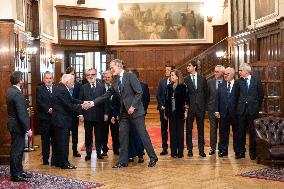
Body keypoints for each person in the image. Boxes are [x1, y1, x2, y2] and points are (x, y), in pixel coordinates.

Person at [89, 59, 158, 168]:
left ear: (119, 66)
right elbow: (107, 94)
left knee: (143, 135)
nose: (111, 70)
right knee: (123, 137)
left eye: (112, 68)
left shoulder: (130, 76)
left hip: (136, 112)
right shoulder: (115, 80)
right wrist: (92, 103)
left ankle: (153, 157)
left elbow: (139, 92)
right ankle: (123, 161)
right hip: (124, 114)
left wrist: (133, 106)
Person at [52, 74, 86, 169]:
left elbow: (71, 100)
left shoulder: (62, 88)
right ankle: (64, 163)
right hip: (61, 121)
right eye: (72, 81)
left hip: (59, 120)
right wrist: (82, 106)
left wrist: (83, 102)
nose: (74, 83)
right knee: (63, 143)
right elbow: (69, 106)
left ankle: (58, 162)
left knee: (59, 142)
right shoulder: (62, 90)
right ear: (67, 82)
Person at [6, 71, 33, 182]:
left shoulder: (10, 90)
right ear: (19, 80)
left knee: (18, 149)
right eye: (22, 78)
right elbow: (21, 113)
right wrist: (28, 129)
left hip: (14, 124)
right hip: (17, 125)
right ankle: (16, 175)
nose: (23, 80)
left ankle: (19, 171)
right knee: (17, 150)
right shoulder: (16, 93)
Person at [236, 63, 264, 160]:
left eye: (240, 70)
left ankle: (253, 153)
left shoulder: (256, 81)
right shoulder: (238, 82)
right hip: (241, 110)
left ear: (246, 71)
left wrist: (256, 106)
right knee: (241, 131)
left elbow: (261, 96)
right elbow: (235, 97)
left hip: (253, 110)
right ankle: (241, 152)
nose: (239, 72)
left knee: (253, 132)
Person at [79, 68, 108, 160]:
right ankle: (88, 153)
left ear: (96, 75)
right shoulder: (83, 87)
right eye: (88, 75)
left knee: (99, 135)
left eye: (92, 74)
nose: (90, 76)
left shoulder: (102, 87)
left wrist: (106, 113)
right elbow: (79, 102)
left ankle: (99, 152)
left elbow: (105, 101)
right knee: (88, 136)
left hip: (99, 115)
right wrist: (81, 114)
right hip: (87, 116)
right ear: (86, 76)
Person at [214, 67, 240, 157]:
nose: (225, 76)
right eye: (224, 74)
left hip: (235, 113)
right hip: (223, 113)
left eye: (227, 74)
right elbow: (217, 99)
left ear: (232, 75)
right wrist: (216, 110)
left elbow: (240, 99)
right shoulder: (221, 85)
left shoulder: (238, 85)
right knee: (223, 133)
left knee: (236, 134)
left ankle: (237, 152)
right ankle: (223, 151)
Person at [184, 60, 207, 157]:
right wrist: (185, 107)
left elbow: (206, 94)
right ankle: (190, 149)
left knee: (201, 129)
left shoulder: (202, 78)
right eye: (187, 66)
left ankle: (201, 150)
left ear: (194, 67)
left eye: (189, 66)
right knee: (189, 129)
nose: (187, 67)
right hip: (190, 108)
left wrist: (205, 107)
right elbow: (184, 94)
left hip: (200, 108)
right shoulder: (185, 79)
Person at [128, 69, 150, 163]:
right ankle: (131, 154)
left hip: (139, 115)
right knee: (130, 134)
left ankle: (140, 154)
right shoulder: (126, 85)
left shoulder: (143, 86)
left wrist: (142, 111)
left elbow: (146, 100)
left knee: (139, 134)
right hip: (128, 114)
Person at [165, 69, 188, 158]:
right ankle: (173, 152)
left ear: (177, 77)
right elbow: (166, 100)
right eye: (171, 75)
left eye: (173, 75)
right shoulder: (169, 87)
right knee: (172, 132)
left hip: (180, 112)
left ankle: (180, 152)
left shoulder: (183, 86)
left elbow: (186, 100)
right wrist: (166, 113)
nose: (171, 77)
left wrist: (186, 111)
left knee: (180, 133)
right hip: (171, 113)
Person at [36, 71, 56, 165]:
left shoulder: (56, 88)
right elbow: (39, 102)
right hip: (45, 119)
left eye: (50, 78)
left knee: (55, 139)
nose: (48, 80)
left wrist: (55, 109)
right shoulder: (39, 89)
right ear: (43, 79)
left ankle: (55, 159)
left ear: (53, 79)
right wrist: (48, 109)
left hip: (55, 119)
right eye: (47, 78)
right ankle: (45, 158)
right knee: (45, 140)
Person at [156, 65, 175, 156]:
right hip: (163, 109)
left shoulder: (175, 82)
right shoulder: (162, 81)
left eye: (168, 70)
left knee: (172, 129)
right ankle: (164, 148)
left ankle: (173, 148)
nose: (166, 71)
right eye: (166, 70)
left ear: (172, 72)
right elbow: (158, 95)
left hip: (172, 110)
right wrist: (162, 106)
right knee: (164, 129)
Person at [207, 65, 225, 155]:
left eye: (217, 72)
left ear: (222, 73)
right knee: (213, 129)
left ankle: (221, 148)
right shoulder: (210, 82)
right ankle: (212, 148)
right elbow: (207, 96)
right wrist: (207, 108)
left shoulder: (226, 82)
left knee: (222, 129)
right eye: (215, 71)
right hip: (212, 110)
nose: (215, 73)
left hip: (223, 110)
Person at [101, 70, 120, 156]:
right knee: (104, 133)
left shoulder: (116, 86)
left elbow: (118, 101)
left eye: (109, 77)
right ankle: (104, 149)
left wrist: (114, 115)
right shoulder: (100, 87)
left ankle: (116, 149)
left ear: (112, 78)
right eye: (105, 77)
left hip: (114, 114)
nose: (107, 79)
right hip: (103, 114)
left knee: (115, 133)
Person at [66, 67, 82, 157]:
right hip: (66, 113)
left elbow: (79, 99)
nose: (71, 76)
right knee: (66, 133)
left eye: (73, 74)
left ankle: (75, 150)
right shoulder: (64, 85)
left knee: (75, 133)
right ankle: (66, 151)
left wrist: (80, 113)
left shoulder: (78, 85)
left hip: (74, 112)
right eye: (70, 74)